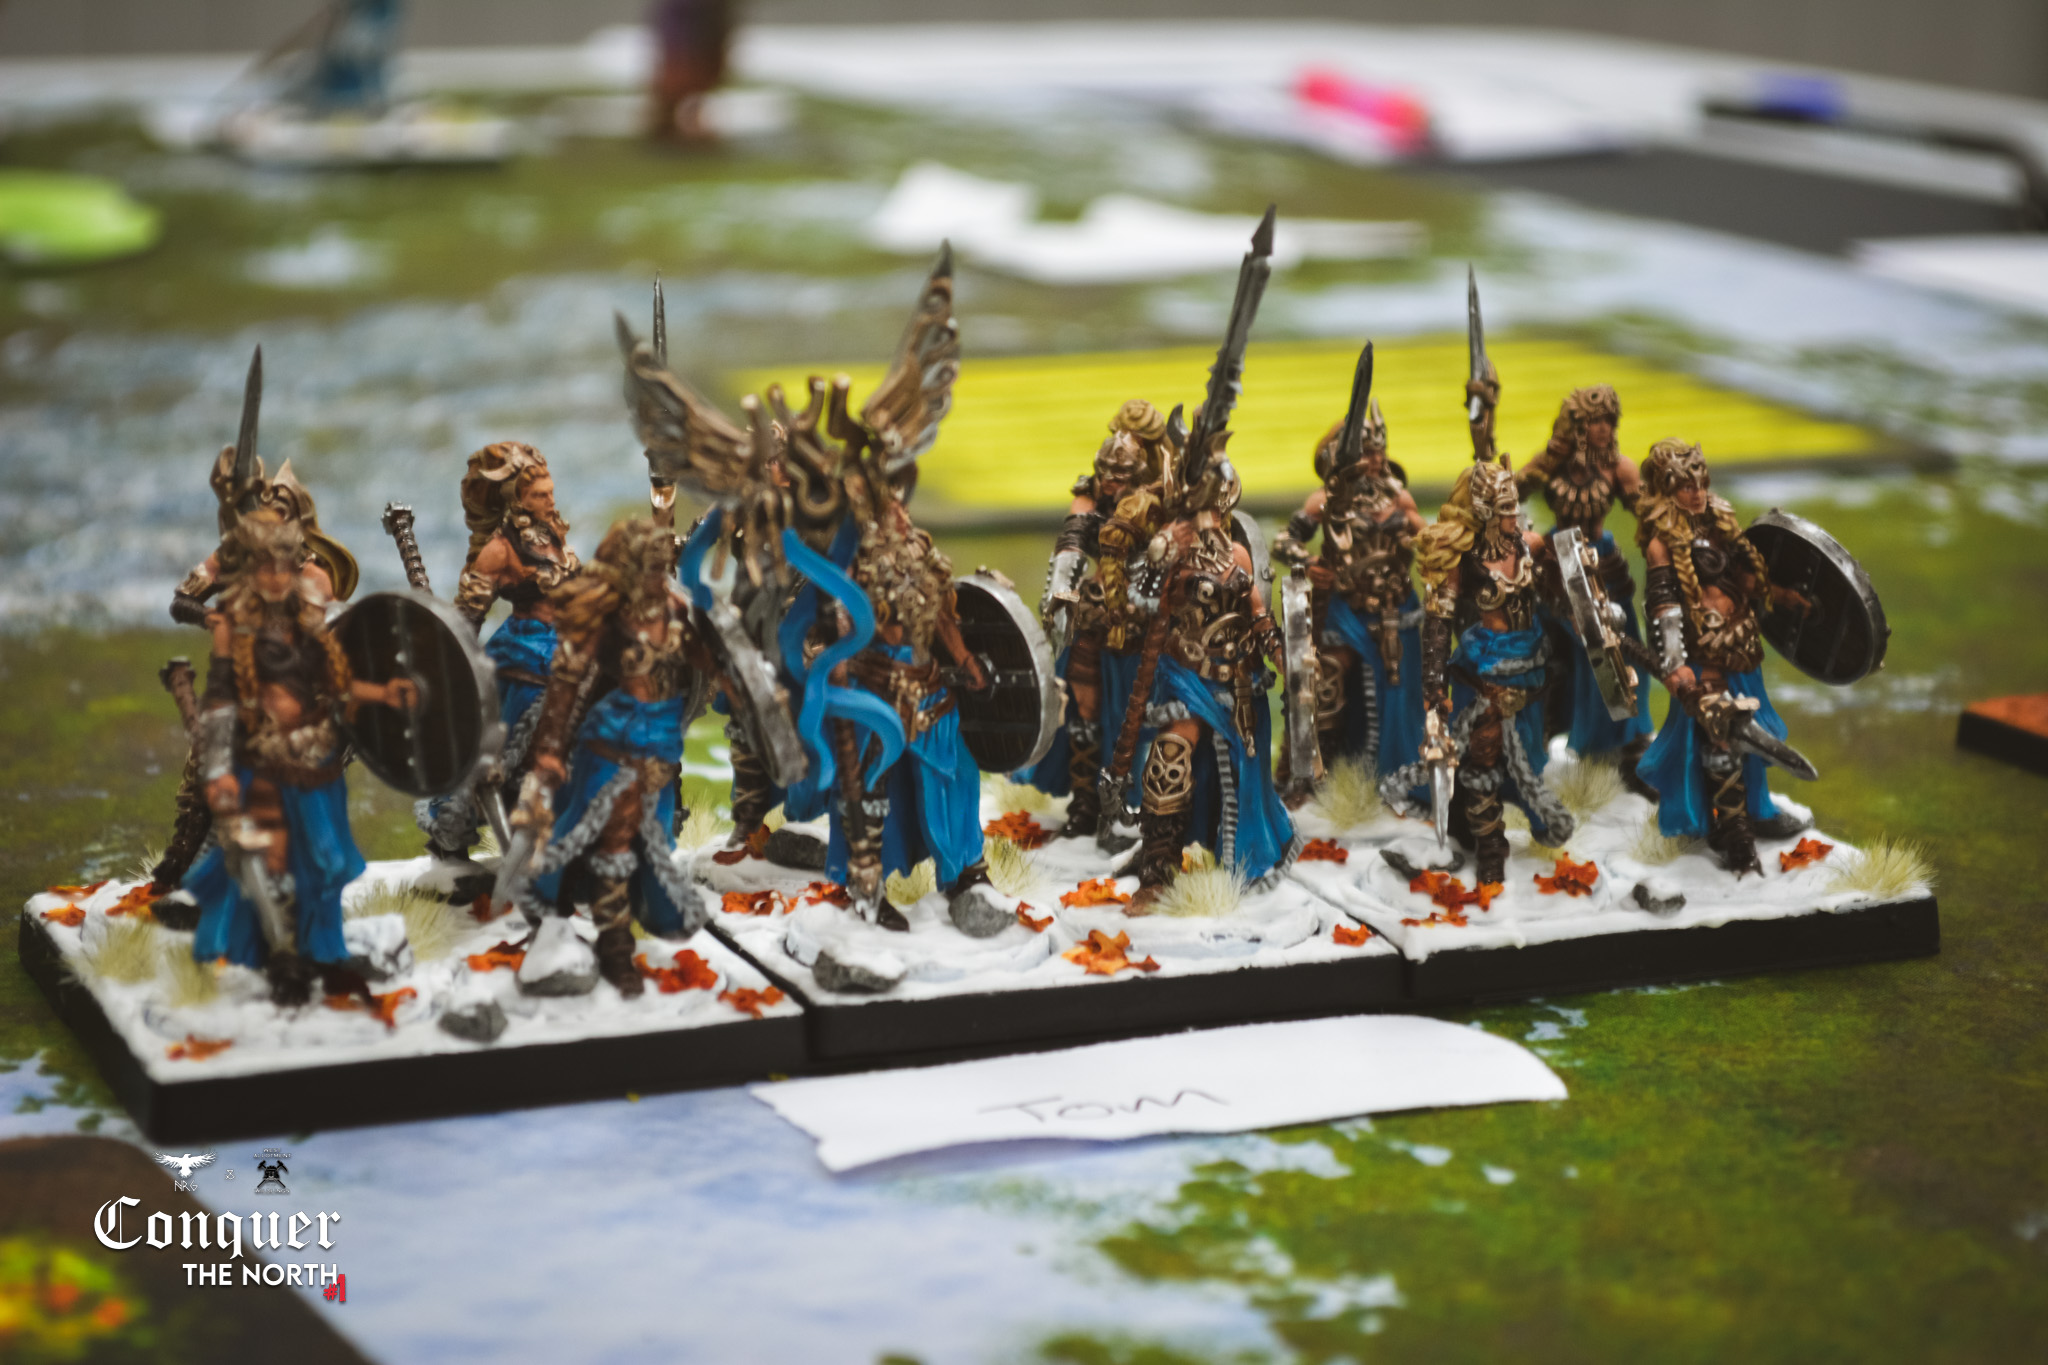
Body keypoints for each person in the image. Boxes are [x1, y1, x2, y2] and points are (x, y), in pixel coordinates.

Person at [182, 516, 415, 1004]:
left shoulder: (308, 619)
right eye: (266, 565)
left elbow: (334, 684)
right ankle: (278, 955)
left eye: (285, 565)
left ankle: (324, 951)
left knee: (328, 863)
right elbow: (221, 701)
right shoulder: (234, 626)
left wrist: (383, 694)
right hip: (266, 764)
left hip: (318, 763)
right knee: (271, 864)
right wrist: (219, 770)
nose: (277, 576)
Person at [517, 518, 712, 996]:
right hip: (613, 745)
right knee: (613, 840)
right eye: (649, 565)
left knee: (653, 840)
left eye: (661, 564)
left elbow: (709, 662)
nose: (657, 573)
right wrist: (550, 750)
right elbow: (566, 684)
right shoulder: (606, 618)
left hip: (661, 745)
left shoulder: (675, 610)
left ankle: (619, 928)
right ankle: (614, 945)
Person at [1634, 439, 1813, 875]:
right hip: (1704, 657)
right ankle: (1735, 836)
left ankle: (1758, 810)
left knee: (1751, 734)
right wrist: (1675, 666)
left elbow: (1745, 582)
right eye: (1685, 485)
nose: (1697, 492)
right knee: (1719, 737)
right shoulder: (1662, 544)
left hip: (1742, 648)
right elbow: (1663, 608)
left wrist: (1779, 595)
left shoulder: (1720, 522)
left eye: (1701, 482)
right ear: (1667, 488)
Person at [417, 442, 579, 866]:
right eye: (540, 495)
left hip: (566, 639)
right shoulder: (498, 550)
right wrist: (454, 664)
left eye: (551, 491)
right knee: (503, 751)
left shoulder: (552, 533)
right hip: (526, 652)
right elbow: (469, 615)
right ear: (518, 500)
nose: (550, 500)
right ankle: (459, 827)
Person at [1020, 400, 1171, 838]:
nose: (1110, 483)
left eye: (1119, 477)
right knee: (1083, 708)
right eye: (1106, 474)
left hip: (1149, 621)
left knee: (1151, 716)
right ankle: (1086, 803)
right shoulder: (1089, 497)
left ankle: (1154, 803)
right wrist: (1058, 600)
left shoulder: (1164, 498)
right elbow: (1071, 547)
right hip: (1097, 614)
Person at [1272, 395, 1428, 790]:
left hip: (1395, 608)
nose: (1376, 460)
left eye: (1379, 451)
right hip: (1346, 610)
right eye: (1367, 453)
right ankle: (1317, 778)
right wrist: (1309, 563)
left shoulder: (1398, 496)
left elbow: (1431, 540)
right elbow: (1285, 541)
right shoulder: (1326, 499)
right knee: (1327, 683)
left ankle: (1393, 775)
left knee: (1399, 691)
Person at [1515, 385, 1654, 770]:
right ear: (1577, 425)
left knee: (1615, 655)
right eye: (1596, 420)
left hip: (1601, 568)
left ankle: (1621, 742)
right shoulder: (1552, 462)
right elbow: (1510, 492)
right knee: (1549, 656)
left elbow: (1650, 517)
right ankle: (1543, 734)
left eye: (1610, 420)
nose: (1605, 428)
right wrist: (1546, 460)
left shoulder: (1620, 468)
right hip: (1555, 565)